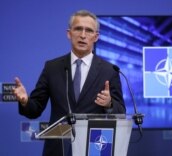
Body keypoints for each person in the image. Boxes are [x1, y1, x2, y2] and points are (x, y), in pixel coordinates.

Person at [13, 10, 126, 156]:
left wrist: (110, 104)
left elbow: (121, 112)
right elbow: (35, 109)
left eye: (89, 30)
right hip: (58, 149)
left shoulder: (109, 70)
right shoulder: (52, 67)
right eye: (78, 29)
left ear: (96, 37)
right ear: (69, 33)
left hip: (94, 147)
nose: (83, 35)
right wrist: (25, 101)